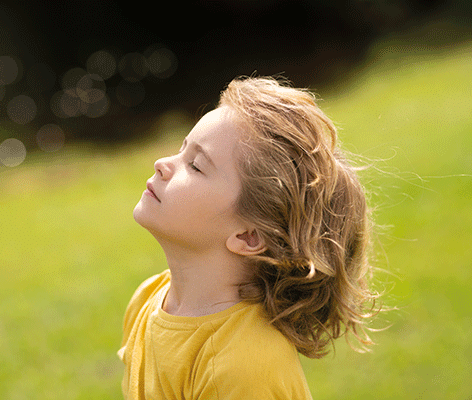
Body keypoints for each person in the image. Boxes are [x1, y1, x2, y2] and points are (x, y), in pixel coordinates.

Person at [118, 76, 379, 399]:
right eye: (182, 149)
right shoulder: (148, 299)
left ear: (249, 236)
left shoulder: (244, 369)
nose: (162, 164)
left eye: (195, 165)